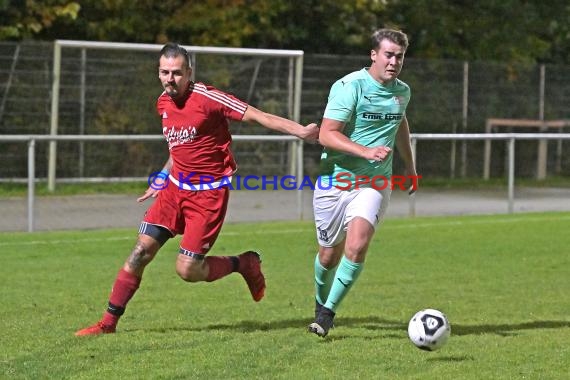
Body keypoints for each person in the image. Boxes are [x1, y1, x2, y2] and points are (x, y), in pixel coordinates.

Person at [75, 42, 319, 336]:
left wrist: (301, 132)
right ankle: (107, 324)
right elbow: (179, 146)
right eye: (164, 72)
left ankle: (243, 263)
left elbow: (258, 115)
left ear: (189, 72)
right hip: (174, 191)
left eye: (177, 73)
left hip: (207, 196)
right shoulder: (163, 103)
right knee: (140, 252)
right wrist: (163, 176)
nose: (170, 79)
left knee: (187, 270)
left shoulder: (208, 98)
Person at [308, 28, 417, 337]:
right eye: (388, 55)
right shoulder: (349, 86)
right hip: (335, 180)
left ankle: (327, 315)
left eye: (400, 56)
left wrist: (410, 166)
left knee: (356, 247)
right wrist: (364, 150)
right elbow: (327, 134)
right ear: (373, 55)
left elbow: (400, 123)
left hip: (375, 183)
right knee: (328, 255)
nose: (394, 61)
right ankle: (319, 302)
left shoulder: (403, 92)